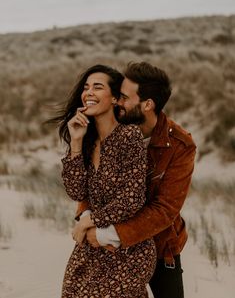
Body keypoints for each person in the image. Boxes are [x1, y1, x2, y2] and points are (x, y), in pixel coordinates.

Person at [77, 62, 196, 298]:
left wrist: (107, 233)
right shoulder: (108, 129)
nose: (117, 102)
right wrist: (85, 217)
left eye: (124, 97)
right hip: (110, 249)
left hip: (161, 246)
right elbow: (92, 182)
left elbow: (164, 210)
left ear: (147, 104)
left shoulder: (180, 145)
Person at [55, 64, 156, 298]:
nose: (88, 92)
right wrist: (77, 143)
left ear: (113, 99)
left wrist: (88, 221)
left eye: (97, 87)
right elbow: (75, 191)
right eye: (86, 87)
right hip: (90, 250)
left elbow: (132, 199)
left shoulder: (128, 136)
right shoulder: (88, 141)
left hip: (126, 249)